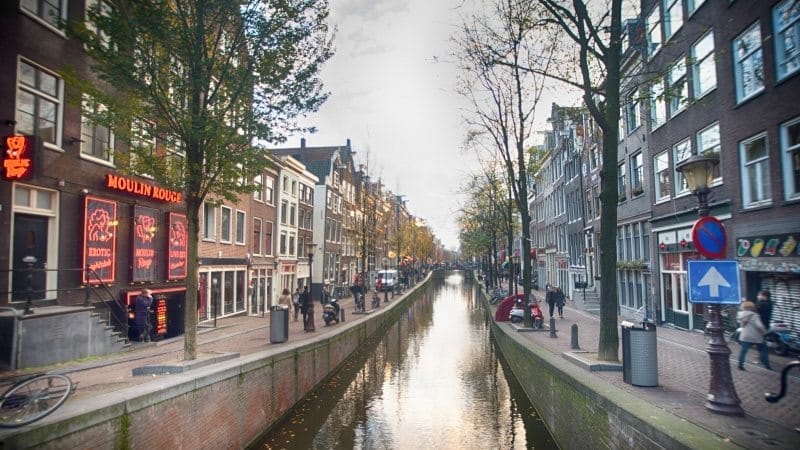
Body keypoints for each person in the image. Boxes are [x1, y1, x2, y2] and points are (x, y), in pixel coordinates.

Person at [736, 299, 771, 371]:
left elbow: (742, 325)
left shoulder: (740, 314)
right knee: (763, 350)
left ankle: (740, 365)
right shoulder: (755, 315)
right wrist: (765, 332)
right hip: (756, 336)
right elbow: (760, 326)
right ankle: (766, 365)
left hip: (745, 336)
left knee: (743, 351)